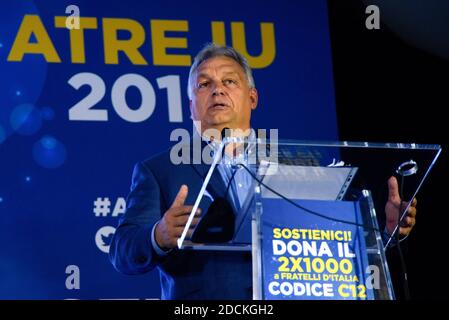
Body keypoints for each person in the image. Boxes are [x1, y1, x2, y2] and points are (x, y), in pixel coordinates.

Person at [109, 43, 417, 300]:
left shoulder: (298, 166)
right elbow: (122, 251)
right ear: (191, 106)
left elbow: (332, 243)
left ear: (252, 98)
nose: (217, 90)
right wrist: (158, 235)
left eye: (229, 81)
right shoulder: (159, 169)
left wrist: (382, 233)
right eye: (204, 84)